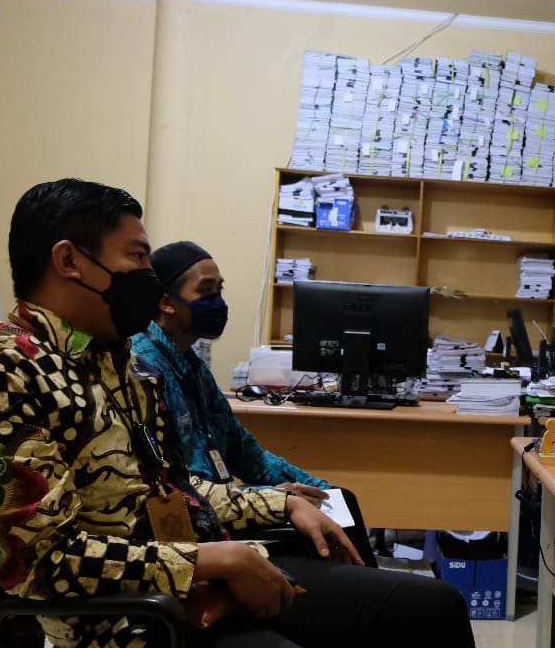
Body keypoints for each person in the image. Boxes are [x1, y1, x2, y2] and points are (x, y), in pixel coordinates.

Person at [0, 179, 506, 648]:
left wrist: (284, 504)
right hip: (121, 635)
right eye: (137, 257)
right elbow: (43, 566)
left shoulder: (114, 360)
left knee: (435, 609)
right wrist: (216, 561)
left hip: (195, 585)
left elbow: (173, 488)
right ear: (69, 261)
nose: (148, 276)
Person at [129, 240, 378, 568]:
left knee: (342, 500)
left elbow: (245, 452)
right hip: (199, 530)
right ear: (166, 302)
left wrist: (322, 489)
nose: (217, 301)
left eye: (219, 290)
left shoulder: (193, 367)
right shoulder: (143, 368)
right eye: (206, 290)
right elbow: (177, 487)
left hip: (228, 507)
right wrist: (274, 499)